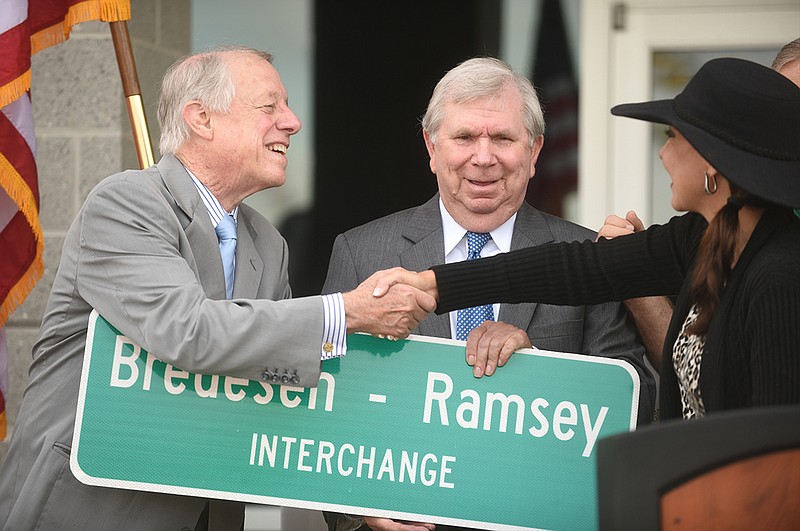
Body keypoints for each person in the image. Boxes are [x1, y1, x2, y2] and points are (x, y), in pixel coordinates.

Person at [0, 46, 434, 530]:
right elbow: (188, 331)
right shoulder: (124, 203)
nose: (292, 122)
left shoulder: (269, 244)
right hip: (91, 511)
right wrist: (346, 313)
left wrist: (353, 495)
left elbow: (282, 387)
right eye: (269, 107)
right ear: (201, 119)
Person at [322, 57, 654, 531]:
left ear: (535, 150)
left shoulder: (586, 257)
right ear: (431, 147)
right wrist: (357, 508)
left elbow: (632, 406)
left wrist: (537, 369)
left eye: (502, 138)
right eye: (464, 138)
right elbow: (329, 408)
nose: (483, 157)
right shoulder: (360, 252)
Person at [376, 57, 800, 423]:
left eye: (672, 137)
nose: (662, 153)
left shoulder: (779, 276)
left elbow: (775, 455)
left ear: (713, 164)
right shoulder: (699, 237)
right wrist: (435, 284)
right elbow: (575, 269)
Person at [597, 38, 800, 369]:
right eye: (784, 107)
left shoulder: (779, 269)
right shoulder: (712, 230)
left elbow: (770, 417)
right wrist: (637, 283)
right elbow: (691, 370)